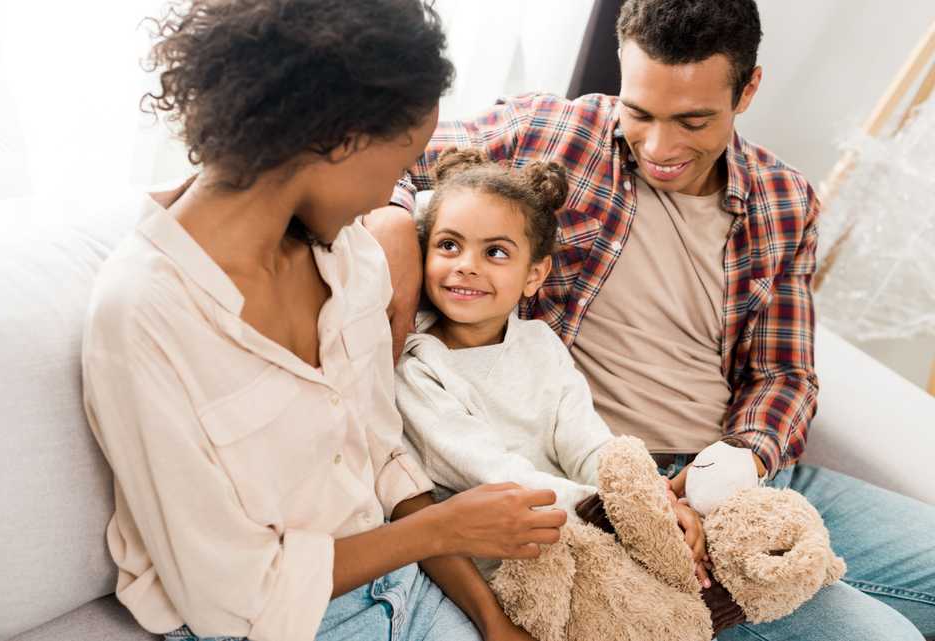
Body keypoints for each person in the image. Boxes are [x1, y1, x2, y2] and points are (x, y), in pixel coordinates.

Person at [376, 0, 935, 639]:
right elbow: (385, 149)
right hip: (602, 478)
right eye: (639, 112)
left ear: (748, 89)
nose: (661, 147)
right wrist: (395, 219)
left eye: (693, 120)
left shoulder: (785, 200)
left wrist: (740, 460)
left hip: (728, 470)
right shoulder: (552, 133)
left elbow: (784, 373)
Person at [81, 2, 565, 640]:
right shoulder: (143, 316)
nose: (387, 198)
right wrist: (444, 528)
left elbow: (386, 460)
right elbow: (233, 597)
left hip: (406, 583)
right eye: (396, 168)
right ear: (338, 138)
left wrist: (493, 622)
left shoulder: (349, 256)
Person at [394, 147, 710, 582]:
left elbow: (586, 440)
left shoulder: (539, 343)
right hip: (513, 561)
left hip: (590, 526)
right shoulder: (417, 366)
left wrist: (650, 501)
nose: (466, 267)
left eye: (496, 253)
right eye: (449, 245)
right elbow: (493, 475)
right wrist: (619, 520)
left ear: (533, 276)